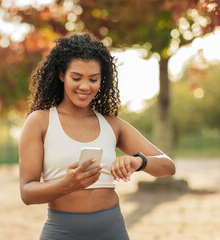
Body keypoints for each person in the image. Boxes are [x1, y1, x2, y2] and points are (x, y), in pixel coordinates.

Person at [18, 32, 176, 240]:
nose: (85, 86)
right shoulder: (40, 121)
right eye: (76, 77)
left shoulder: (111, 124)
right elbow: (27, 192)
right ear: (61, 75)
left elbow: (168, 166)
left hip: (111, 230)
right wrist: (67, 184)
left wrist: (139, 161)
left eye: (93, 79)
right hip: (62, 231)